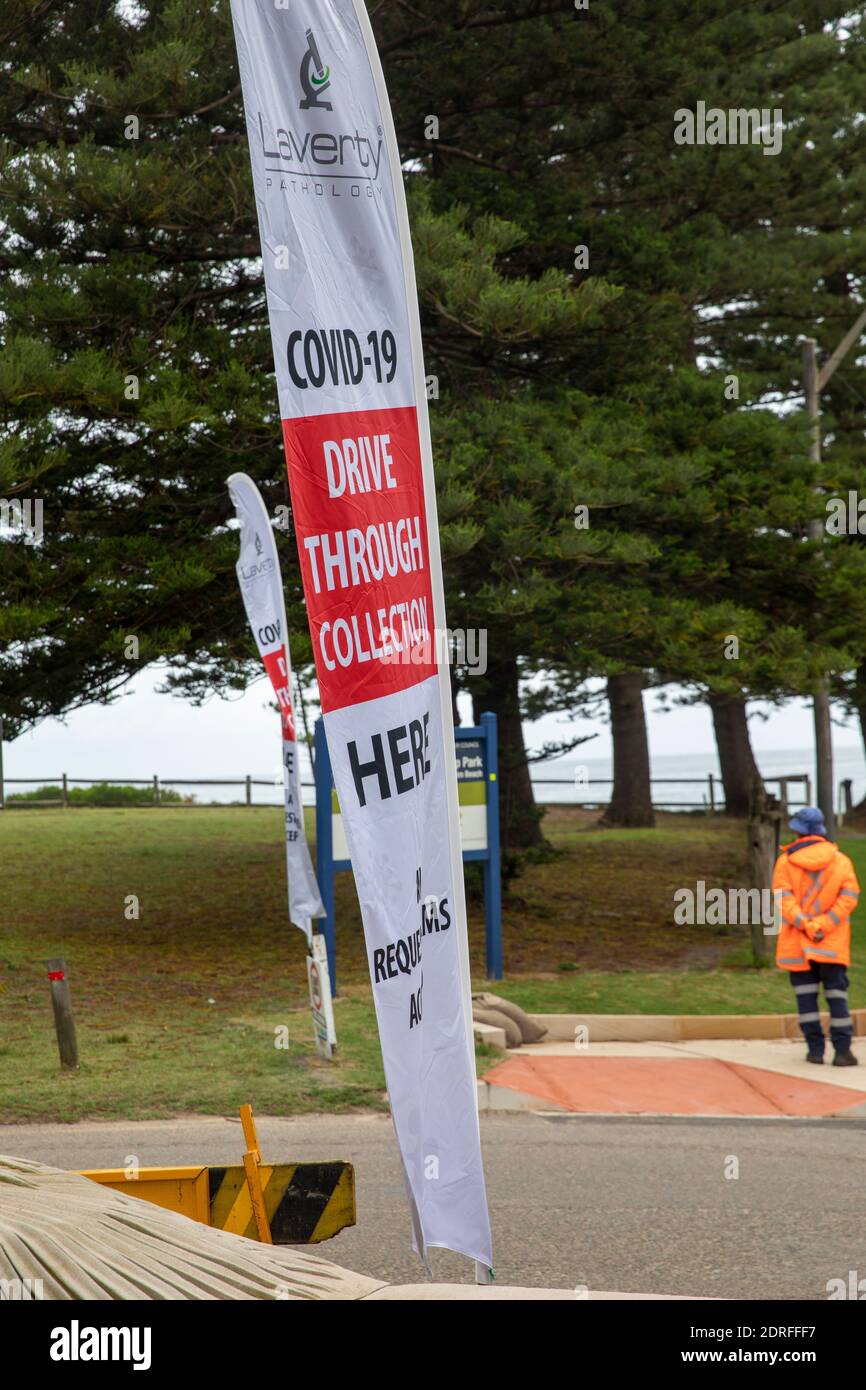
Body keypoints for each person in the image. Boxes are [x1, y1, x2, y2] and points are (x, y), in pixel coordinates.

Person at [773, 806, 860, 1066]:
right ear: (820, 831)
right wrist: (823, 924)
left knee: (806, 998)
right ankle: (843, 1052)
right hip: (830, 942)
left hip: (798, 944)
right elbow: (849, 898)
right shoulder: (841, 861)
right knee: (837, 996)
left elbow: (783, 899)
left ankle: (814, 1051)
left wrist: (805, 923)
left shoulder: (785, 862)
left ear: (798, 832)